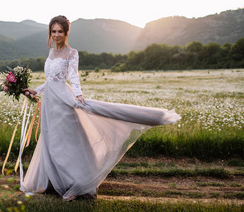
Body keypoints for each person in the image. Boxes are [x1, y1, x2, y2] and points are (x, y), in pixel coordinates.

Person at [22, 15, 181, 201]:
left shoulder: (72, 53)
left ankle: (78, 185)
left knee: (67, 144)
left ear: (66, 33)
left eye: (60, 32)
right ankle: (52, 183)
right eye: (53, 31)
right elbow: (50, 81)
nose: (56, 35)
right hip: (50, 102)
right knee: (50, 142)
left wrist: (79, 94)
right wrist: (35, 91)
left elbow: (73, 76)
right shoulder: (51, 52)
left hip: (64, 101)